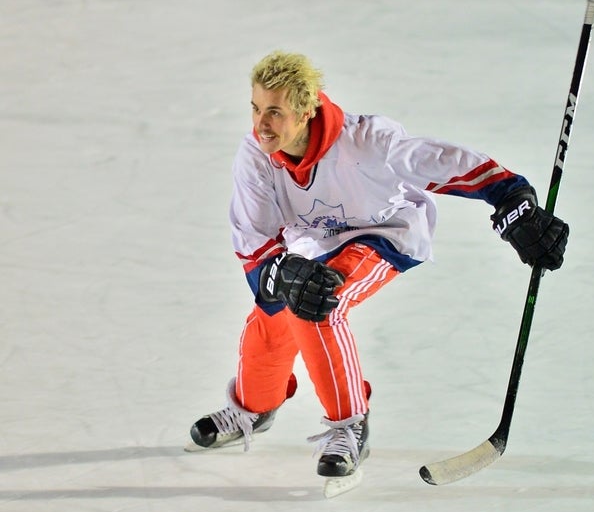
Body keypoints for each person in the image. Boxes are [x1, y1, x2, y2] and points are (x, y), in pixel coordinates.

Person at [185, 50, 569, 479]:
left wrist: (513, 199)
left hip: (386, 235)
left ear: (307, 109)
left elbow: (443, 162)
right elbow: (254, 246)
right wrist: (283, 273)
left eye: (275, 112)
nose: (261, 123)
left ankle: (350, 428)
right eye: (256, 109)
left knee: (319, 303)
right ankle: (252, 410)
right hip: (314, 245)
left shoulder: (368, 143)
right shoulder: (256, 156)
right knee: (271, 314)